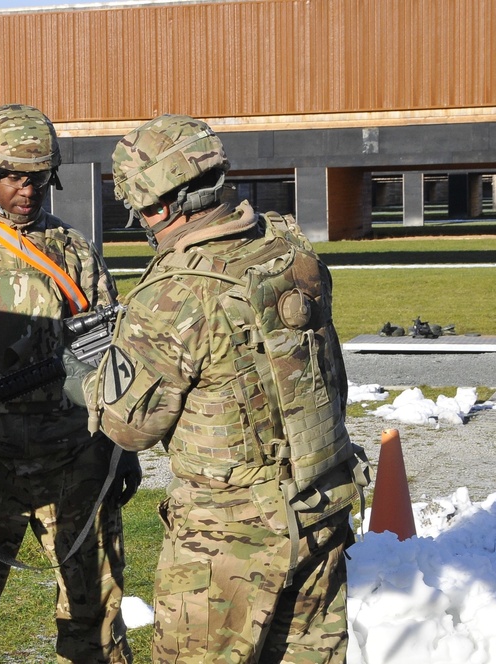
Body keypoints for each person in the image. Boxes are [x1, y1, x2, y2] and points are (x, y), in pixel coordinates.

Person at [75, 114, 365, 663]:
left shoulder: (173, 294)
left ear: (157, 206)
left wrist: (88, 379)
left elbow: (129, 428)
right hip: (320, 507)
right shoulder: (290, 244)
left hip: (229, 539)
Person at [0, 103, 138, 664]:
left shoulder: (74, 250)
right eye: (14, 176)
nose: (28, 190)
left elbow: (112, 351)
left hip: (76, 463)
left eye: (38, 178)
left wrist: (121, 449)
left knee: (97, 617)